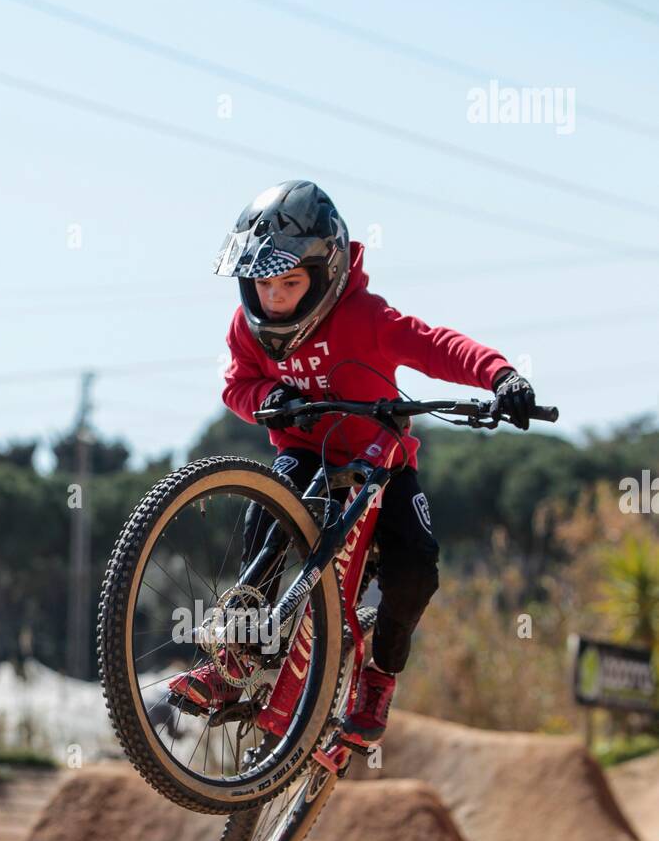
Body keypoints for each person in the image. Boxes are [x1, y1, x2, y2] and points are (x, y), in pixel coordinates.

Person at [170, 179, 535, 743]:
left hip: (383, 464)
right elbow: (237, 387)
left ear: (325, 273)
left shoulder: (364, 317)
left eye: (289, 283)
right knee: (265, 515)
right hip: (301, 454)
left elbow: (436, 345)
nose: (274, 299)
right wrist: (267, 400)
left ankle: (378, 679)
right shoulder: (249, 329)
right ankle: (232, 662)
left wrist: (500, 375)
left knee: (416, 568)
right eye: (263, 284)